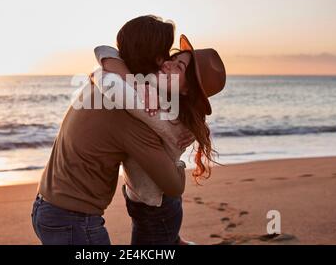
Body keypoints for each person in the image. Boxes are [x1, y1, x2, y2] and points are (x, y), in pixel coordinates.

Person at [31, 15, 188, 245]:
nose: (168, 63)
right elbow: (173, 186)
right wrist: (179, 162)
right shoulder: (129, 109)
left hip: (46, 206)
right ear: (157, 59)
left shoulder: (106, 78)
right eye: (167, 55)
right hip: (73, 221)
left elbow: (106, 52)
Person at [92, 30, 226, 244]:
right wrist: (142, 84)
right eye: (173, 59)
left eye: (178, 67)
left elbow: (105, 70)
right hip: (144, 199)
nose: (167, 64)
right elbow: (106, 52)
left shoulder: (161, 112)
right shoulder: (161, 96)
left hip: (156, 209)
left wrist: (102, 75)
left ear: (186, 90)